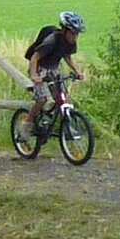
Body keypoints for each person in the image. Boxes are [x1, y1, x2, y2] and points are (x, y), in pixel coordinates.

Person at [16, 12, 86, 142]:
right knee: (42, 99)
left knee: (63, 98)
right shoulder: (51, 41)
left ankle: (66, 127)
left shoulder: (70, 42)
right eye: (72, 33)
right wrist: (34, 75)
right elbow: (35, 57)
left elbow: (67, 57)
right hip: (40, 67)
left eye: (76, 34)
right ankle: (26, 126)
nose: (74, 37)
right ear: (64, 30)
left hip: (54, 68)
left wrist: (77, 72)